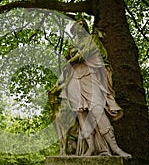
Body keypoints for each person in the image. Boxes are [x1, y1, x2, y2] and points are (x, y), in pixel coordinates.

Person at [53, 19, 131, 157]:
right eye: (78, 26)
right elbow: (66, 68)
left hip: (90, 75)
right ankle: (90, 147)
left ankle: (115, 148)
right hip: (75, 80)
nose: (80, 27)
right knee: (81, 114)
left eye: (82, 25)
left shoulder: (92, 38)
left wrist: (71, 60)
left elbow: (86, 54)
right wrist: (58, 83)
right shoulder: (73, 45)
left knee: (97, 110)